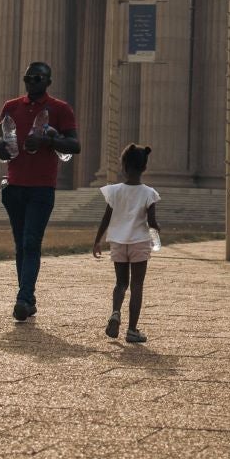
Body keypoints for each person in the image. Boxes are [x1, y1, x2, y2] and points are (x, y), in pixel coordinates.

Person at [0, 61, 81, 322]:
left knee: (31, 242)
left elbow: (75, 145)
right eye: (28, 78)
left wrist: (47, 140)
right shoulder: (11, 106)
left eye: (37, 78)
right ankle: (27, 298)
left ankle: (24, 297)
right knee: (21, 245)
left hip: (41, 187)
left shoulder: (60, 109)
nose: (31, 82)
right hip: (14, 185)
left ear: (47, 82)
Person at [93, 144, 162, 344]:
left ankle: (115, 312)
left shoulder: (114, 191)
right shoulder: (149, 193)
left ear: (123, 166)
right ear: (144, 167)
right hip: (139, 242)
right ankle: (132, 330)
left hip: (118, 241)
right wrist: (158, 231)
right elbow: (151, 223)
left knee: (120, 283)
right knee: (137, 285)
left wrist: (97, 241)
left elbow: (106, 217)